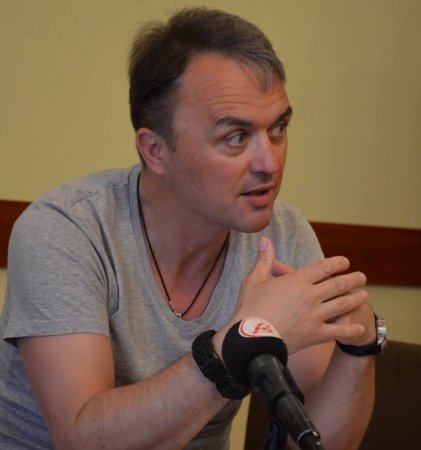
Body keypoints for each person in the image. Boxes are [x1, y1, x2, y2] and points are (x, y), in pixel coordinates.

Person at [0, 7, 385, 450]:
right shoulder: (65, 231)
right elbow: (82, 438)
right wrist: (233, 348)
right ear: (155, 150)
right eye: (236, 137)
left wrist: (359, 349)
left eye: (278, 128)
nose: (270, 163)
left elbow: (315, 442)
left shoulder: (283, 235)